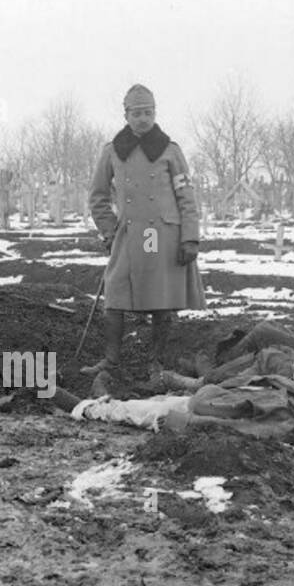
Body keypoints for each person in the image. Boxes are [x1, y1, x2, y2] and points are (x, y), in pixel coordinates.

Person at [85, 84, 206, 388]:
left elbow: (186, 195)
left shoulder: (170, 150)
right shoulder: (112, 151)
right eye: (136, 113)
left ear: (155, 113)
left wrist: (190, 237)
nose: (143, 119)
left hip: (160, 234)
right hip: (128, 234)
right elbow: (98, 196)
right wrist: (110, 232)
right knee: (115, 295)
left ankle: (157, 363)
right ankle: (111, 362)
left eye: (148, 112)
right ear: (126, 115)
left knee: (161, 300)